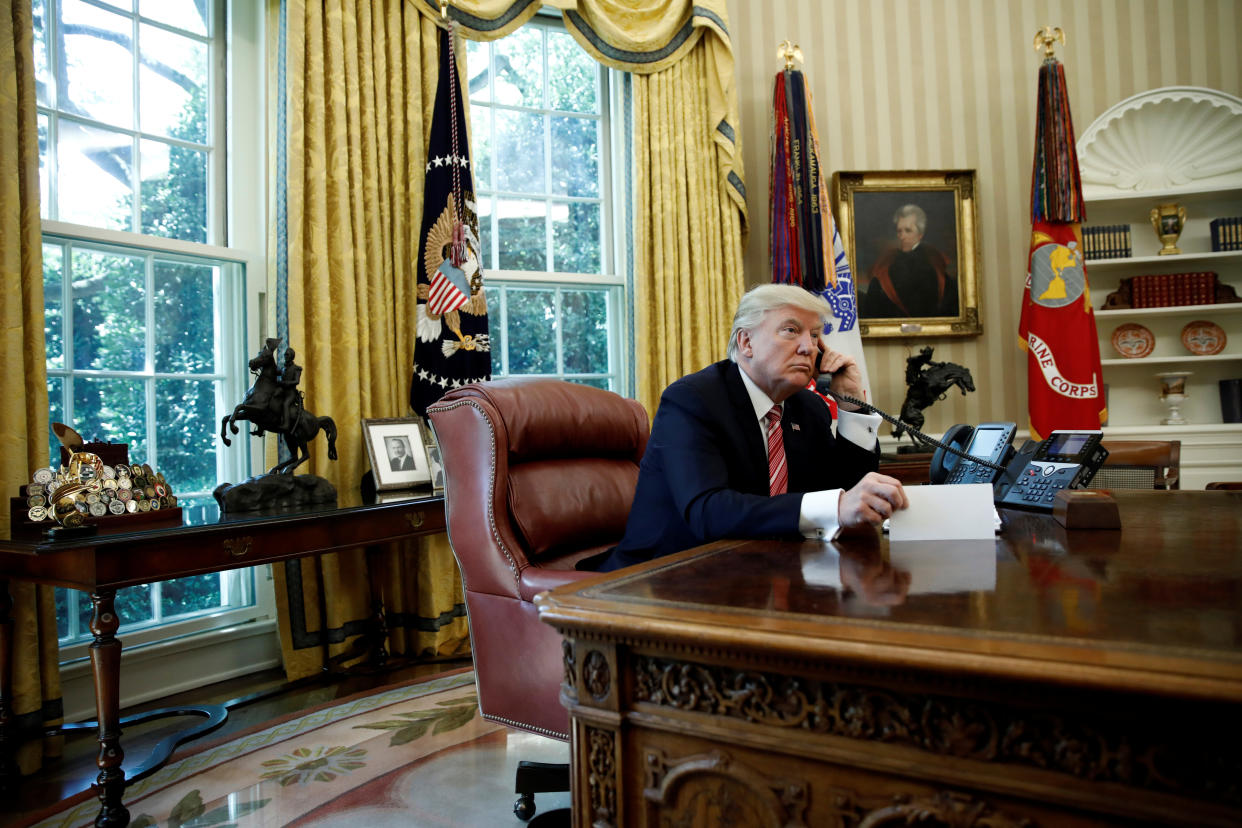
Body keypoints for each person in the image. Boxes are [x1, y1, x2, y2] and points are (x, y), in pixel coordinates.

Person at [586, 284, 908, 572]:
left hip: (762, 571)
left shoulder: (807, 407)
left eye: (814, 335)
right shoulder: (693, 401)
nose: (808, 347)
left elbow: (846, 498)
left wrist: (851, 406)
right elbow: (708, 511)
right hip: (663, 576)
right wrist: (836, 504)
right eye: (791, 331)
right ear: (746, 342)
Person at [860, 204, 958, 318]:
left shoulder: (933, 262)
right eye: (899, 231)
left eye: (908, 231)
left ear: (920, 234)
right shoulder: (889, 261)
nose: (902, 236)